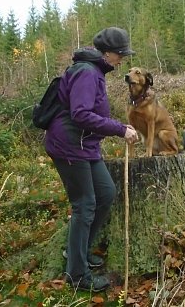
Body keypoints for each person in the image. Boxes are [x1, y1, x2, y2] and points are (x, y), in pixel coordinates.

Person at [45, 27, 139, 292]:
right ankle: (77, 275)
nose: (122, 60)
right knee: (85, 205)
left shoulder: (94, 71)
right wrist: (120, 129)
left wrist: (116, 127)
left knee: (106, 192)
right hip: (68, 146)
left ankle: (79, 251)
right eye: (120, 54)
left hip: (85, 146)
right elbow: (81, 114)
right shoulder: (87, 72)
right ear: (107, 53)